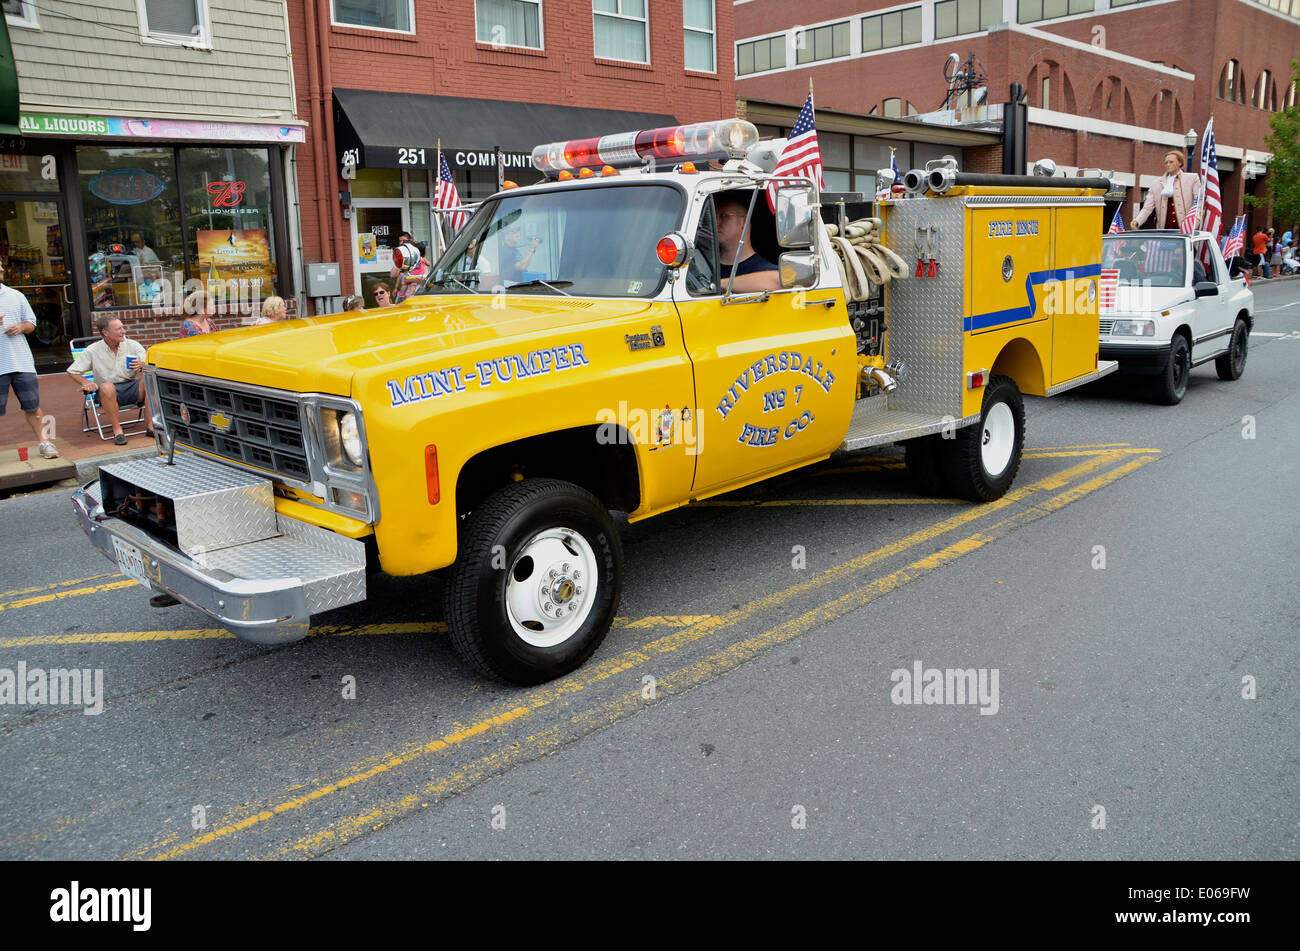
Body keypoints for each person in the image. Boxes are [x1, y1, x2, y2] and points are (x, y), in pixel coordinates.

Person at [0, 258, 59, 459]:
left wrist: (20, 327)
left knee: (32, 405)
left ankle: (45, 443)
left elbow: (31, 323)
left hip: (21, 361)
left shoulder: (15, 295)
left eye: (1, 264)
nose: (1, 268)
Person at [66, 315, 153, 446]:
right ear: (105, 332)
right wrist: (86, 383)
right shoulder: (93, 350)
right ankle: (117, 430)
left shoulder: (132, 345)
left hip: (131, 387)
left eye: (123, 327)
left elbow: (151, 365)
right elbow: (72, 371)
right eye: (119, 329)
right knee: (107, 387)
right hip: (107, 393)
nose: (124, 331)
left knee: (150, 381)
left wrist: (143, 365)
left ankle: (151, 426)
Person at [715, 196, 781, 293]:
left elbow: (777, 281)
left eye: (724, 216)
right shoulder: (702, 265)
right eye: (714, 217)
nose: (716, 223)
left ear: (744, 222)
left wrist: (716, 285)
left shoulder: (765, 269)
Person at [1132, 151, 1200, 230]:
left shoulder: (1192, 178)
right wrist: (1137, 221)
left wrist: (1196, 219)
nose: (1168, 164)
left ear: (1180, 163)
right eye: (1166, 162)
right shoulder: (1156, 183)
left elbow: (1198, 202)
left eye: (1171, 162)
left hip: (1187, 229)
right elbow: (1147, 208)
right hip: (1165, 231)